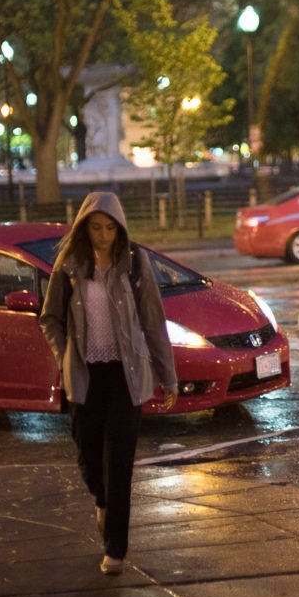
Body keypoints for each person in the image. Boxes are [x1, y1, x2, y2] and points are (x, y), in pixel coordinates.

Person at [40, 191, 177, 574]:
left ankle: (115, 548)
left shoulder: (135, 264)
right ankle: (101, 501)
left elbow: (153, 321)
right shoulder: (68, 265)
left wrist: (168, 376)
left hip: (126, 376)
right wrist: (63, 355)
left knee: (120, 465)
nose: (103, 236)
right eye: (96, 228)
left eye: (110, 229)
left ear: (120, 230)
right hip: (85, 377)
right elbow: (50, 318)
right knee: (88, 459)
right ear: (84, 229)